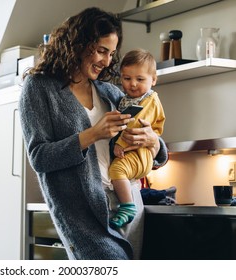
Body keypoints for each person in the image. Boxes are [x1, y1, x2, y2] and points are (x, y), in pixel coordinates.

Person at [19, 7, 168, 260]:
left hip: (129, 201)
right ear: (77, 44)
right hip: (84, 214)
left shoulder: (109, 92)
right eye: (100, 51)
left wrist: (154, 141)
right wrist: (92, 134)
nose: (107, 61)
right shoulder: (39, 87)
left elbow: (157, 153)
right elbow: (39, 157)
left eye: (111, 53)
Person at [109, 49, 166, 228]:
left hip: (140, 152)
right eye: (127, 79)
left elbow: (135, 125)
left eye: (140, 79)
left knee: (117, 171)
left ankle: (127, 207)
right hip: (138, 151)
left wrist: (119, 144)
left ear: (153, 79)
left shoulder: (149, 100)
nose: (133, 84)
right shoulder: (127, 98)